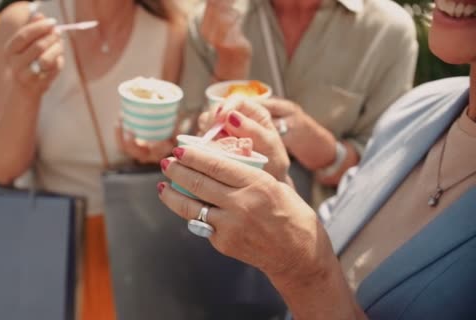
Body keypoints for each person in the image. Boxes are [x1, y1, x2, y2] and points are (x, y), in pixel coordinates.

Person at [157, 0, 476, 317]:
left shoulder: (389, 31)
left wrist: (304, 273)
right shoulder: (418, 108)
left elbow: (313, 259)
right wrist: (276, 181)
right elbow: (331, 236)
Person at [0, 1, 187, 319]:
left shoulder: (168, 31)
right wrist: (26, 90)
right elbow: (1, 168)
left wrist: (158, 154)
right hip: (47, 247)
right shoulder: (25, 23)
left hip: (136, 249)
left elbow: (168, 157)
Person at [182, 0, 418, 207]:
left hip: (327, 232)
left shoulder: (389, 31)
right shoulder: (209, 19)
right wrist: (231, 59)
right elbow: (190, 138)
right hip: (215, 222)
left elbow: (386, 167)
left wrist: (328, 152)